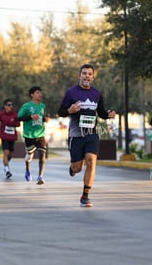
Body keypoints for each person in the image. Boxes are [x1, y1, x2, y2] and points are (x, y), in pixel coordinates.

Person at [57, 64, 116, 207]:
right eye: (84, 73)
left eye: (90, 74)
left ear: (93, 77)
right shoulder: (71, 93)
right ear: (79, 76)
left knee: (91, 161)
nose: (87, 76)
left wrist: (108, 115)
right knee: (77, 167)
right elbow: (61, 111)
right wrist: (70, 111)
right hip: (76, 135)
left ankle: (85, 196)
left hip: (92, 134)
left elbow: (101, 113)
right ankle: (73, 169)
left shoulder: (96, 94)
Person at [17, 86, 48, 185]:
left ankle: (40, 176)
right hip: (29, 135)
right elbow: (19, 118)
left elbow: (41, 118)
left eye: (40, 92)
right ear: (32, 95)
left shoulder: (43, 106)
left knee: (42, 154)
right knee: (29, 157)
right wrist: (30, 117)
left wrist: (45, 119)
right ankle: (27, 169)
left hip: (40, 134)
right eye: (38, 92)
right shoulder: (26, 106)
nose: (40, 94)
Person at [0, 98, 20, 179]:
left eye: (11, 105)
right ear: (5, 106)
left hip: (12, 137)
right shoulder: (0, 114)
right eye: (9, 105)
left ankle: (5, 163)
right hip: (4, 136)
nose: (11, 106)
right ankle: (7, 170)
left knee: (10, 155)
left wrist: (13, 122)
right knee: (6, 153)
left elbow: (18, 124)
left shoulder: (15, 114)